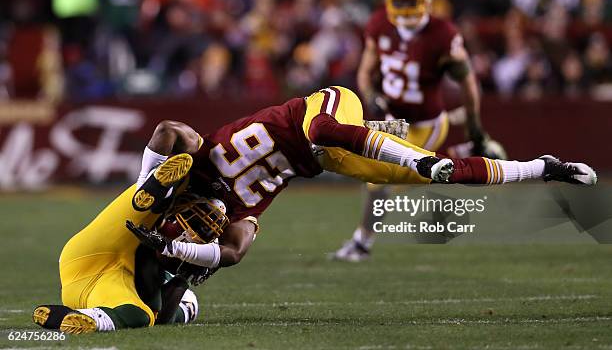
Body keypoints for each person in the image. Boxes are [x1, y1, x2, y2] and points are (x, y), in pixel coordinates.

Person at [33, 85, 596, 334]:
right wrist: (174, 245)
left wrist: (149, 183)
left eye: (189, 218)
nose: (200, 215)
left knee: (409, 159)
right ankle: (542, 167)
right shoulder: (238, 210)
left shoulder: (195, 167)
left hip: (321, 117)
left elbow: (168, 129)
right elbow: (234, 251)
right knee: (440, 166)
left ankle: (416, 153)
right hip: (330, 159)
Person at [333, 0, 495, 261]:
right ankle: (456, 153)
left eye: (412, 3)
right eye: (400, 2)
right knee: (379, 176)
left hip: (425, 122)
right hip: (394, 121)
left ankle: (361, 244)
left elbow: (469, 85)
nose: (405, 10)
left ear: (427, 2)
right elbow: (365, 73)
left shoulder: (443, 35)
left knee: (384, 180)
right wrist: (372, 97)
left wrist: (475, 127)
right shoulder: (380, 23)